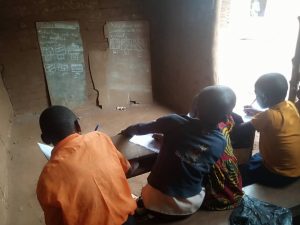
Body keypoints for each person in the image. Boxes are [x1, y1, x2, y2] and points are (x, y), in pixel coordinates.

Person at [121, 85, 236, 219]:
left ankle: (143, 207)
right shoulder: (221, 142)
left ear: (195, 106)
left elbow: (139, 129)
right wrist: (169, 139)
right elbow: (196, 149)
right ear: (226, 117)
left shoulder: (173, 122)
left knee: (152, 172)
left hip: (154, 201)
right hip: (190, 205)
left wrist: (125, 132)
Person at [37, 105, 137, 225]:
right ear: (78, 125)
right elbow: (127, 169)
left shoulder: (46, 179)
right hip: (128, 220)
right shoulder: (100, 138)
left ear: (45, 139)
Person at [239, 73, 300, 187]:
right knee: (257, 157)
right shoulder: (290, 105)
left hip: (280, 175)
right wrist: (257, 112)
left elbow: (240, 130)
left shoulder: (268, 116)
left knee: (240, 172)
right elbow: (275, 118)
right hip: (295, 168)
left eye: (256, 94)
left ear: (264, 97)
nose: (255, 97)